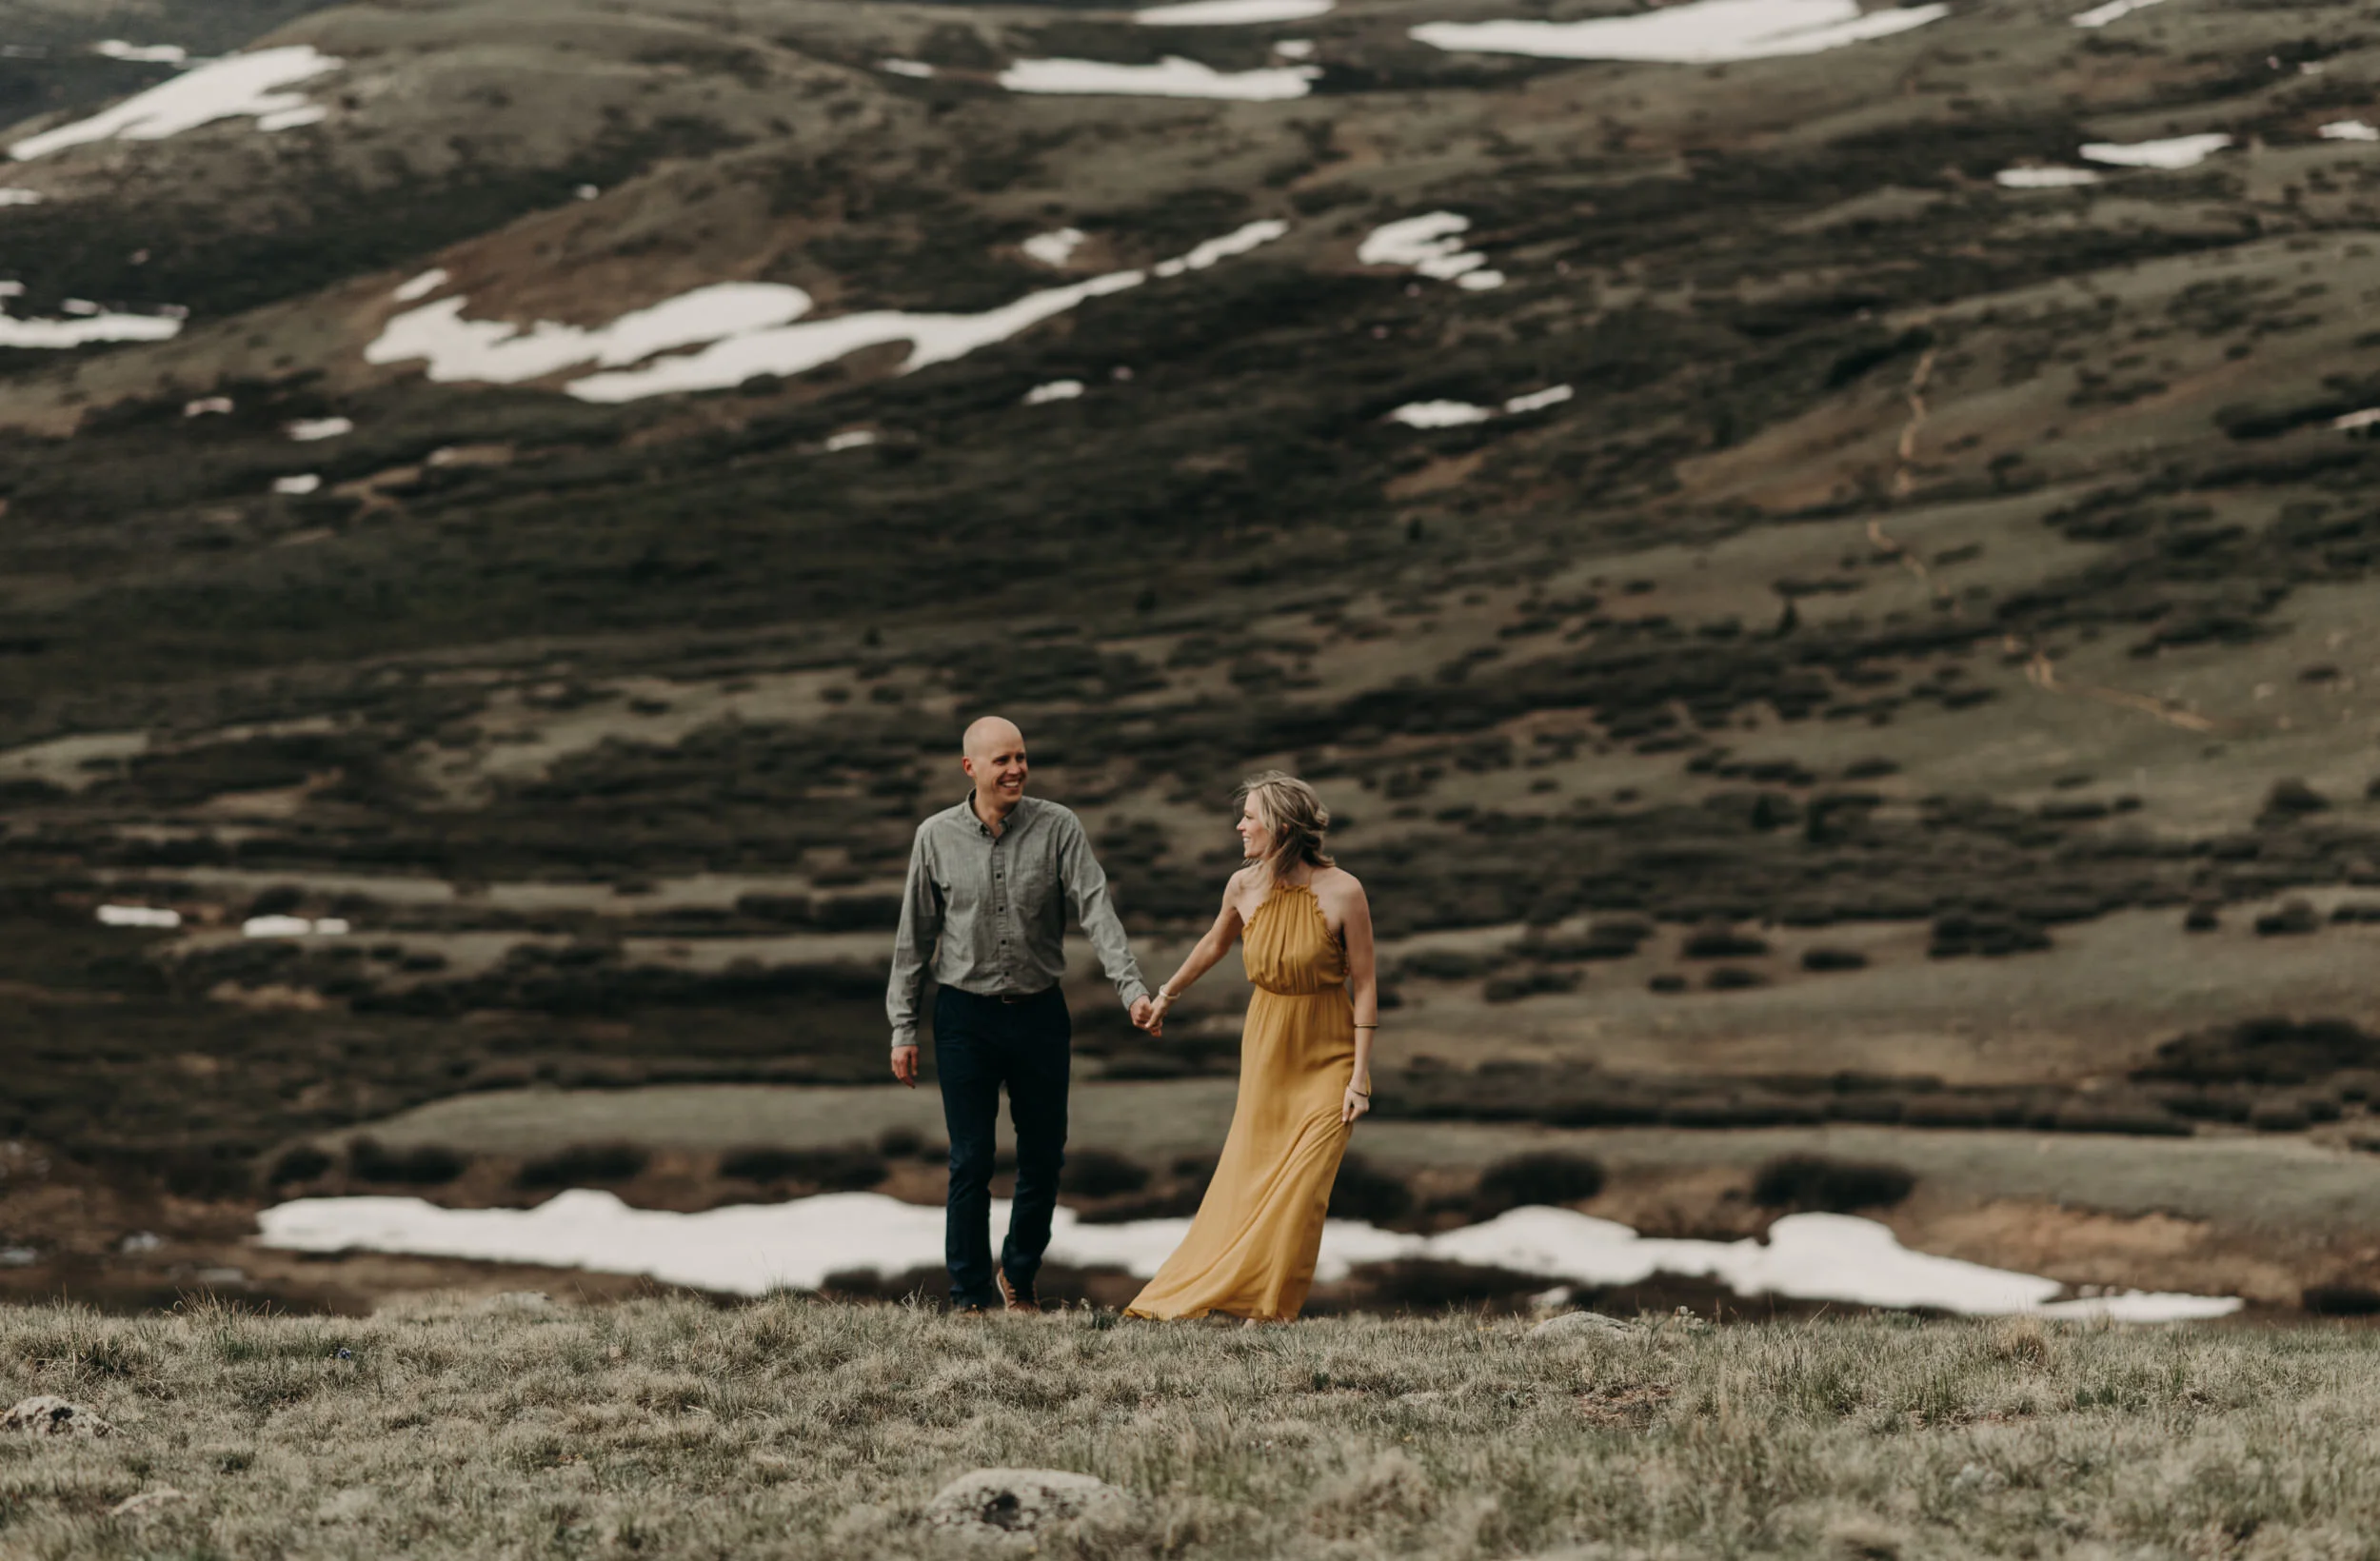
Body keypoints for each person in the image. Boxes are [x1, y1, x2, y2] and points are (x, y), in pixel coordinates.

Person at [887, 716, 1157, 1314]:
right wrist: (903, 1029)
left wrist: (1130, 989)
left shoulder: (1058, 826)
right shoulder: (934, 837)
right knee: (971, 1160)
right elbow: (915, 939)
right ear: (970, 768)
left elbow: (1097, 909)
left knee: (1043, 1155)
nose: (1016, 769)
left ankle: (1020, 1274)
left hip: (1039, 1015)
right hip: (964, 1018)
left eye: (1022, 757)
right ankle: (968, 1297)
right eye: (1002, 760)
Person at [1123, 771, 1377, 1323]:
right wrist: (1166, 994)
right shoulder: (1242, 886)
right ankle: (1227, 1294)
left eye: (1249, 816)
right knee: (1250, 1175)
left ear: (1281, 826)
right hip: (1268, 1046)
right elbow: (1215, 943)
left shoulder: (1345, 891)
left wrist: (1360, 1076)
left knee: (1305, 1187)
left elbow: (1365, 983)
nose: (1239, 826)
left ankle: (1271, 1306)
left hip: (1330, 1050)